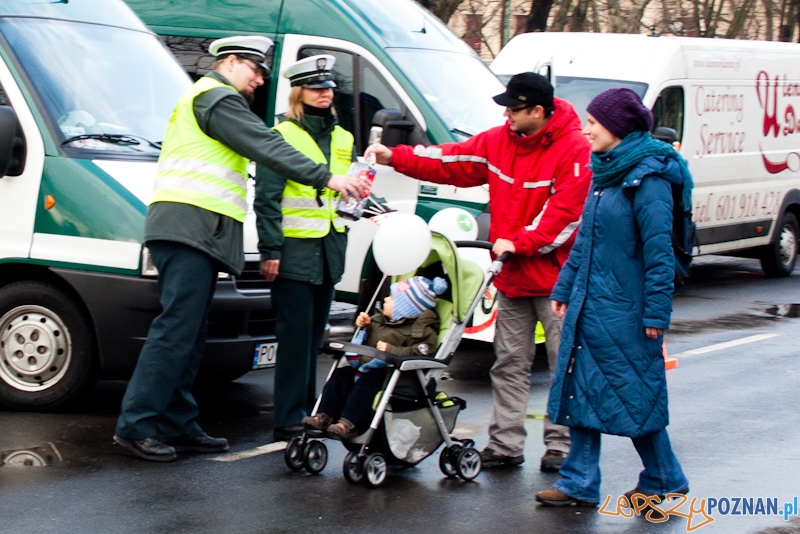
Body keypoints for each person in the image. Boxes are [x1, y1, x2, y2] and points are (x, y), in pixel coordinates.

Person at [113, 37, 365, 462]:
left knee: (190, 334)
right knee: (176, 331)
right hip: (188, 227)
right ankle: (135, 425)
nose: (260, 79)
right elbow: (264, 145)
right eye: (255, 69)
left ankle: (178, 423)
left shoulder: (209, 98)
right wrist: (326, 177)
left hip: (197, 231)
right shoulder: (217, 97)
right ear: (230, 62)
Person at [365, 72, 591, 470]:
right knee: (509, 363)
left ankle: (561, 444)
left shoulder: (574, 149)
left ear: (539, 111)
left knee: (564, 366)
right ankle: (505, 444)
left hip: (557, 282)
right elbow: (449, 160)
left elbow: (566, 215)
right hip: (513, 275)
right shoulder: (500, 140)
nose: (506, 115)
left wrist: (519, 242)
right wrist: (395, 157)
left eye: (515, 109)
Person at [535, 88, 692, 507]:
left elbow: (660, 254)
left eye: (593, 122)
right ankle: (579, 482)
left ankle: (664, 477)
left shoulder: (649, 180)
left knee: (635, 396)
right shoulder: (604, 175)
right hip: (591, 306)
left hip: (627, 312)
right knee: (581, 391)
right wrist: (564, 287)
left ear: (618, 127)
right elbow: (586, 241)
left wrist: (656, 313)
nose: (586, 130)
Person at [253, 54, 357, 442]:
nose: (324, 93)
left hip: (329, 250)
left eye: (328, 87)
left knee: (313, 340)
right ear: (299, 92)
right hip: (294, 252)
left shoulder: (343, 137)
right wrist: (270, 251)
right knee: (295, 339)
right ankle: (288, 417)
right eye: (315, 88)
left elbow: (348, 192)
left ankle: (308, 413)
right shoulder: (281, 135)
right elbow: (266, 199)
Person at [301, 276, 447, 439]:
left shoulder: (422, 332)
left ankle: (349, 423)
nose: (385, 299)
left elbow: (421, 352)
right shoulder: (380, 320)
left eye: (391, 298)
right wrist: (362, 326)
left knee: (368, 382)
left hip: (396, 377)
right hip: (367, 368)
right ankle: (324, 415)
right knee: (341, 375)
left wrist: (391, 350)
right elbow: (364, 337)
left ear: (405, 308)